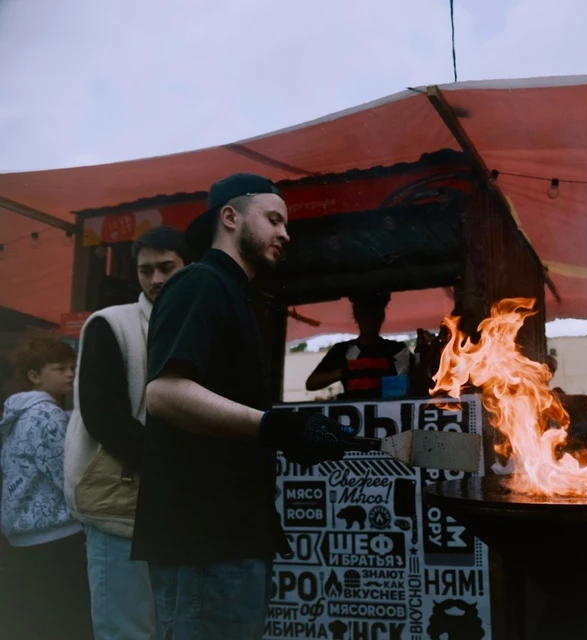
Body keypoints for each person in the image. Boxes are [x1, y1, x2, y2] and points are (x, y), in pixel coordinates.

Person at [131, 173, 349, 639]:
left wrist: (289, 432)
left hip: (231, 536)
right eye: (274, 219)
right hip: (204, 544)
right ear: (230, 217)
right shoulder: (199, 283)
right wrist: (273, 428)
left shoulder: (235, 294)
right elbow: (164, 393)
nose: (285, 233)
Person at [65, 225, 189, 640]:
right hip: (120, 499)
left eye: (166, 268)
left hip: (178, 503)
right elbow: (103, 417)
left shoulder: (195, 323)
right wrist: (172, 466)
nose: (155, 280)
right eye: (145, 270)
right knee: (127, 629)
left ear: (189, 267)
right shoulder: (109, 324)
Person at [1, 338, 93, 640]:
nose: (70, 374)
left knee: (36, 619)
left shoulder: (17, 413)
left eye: (72, 368)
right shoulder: (47, 415)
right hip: (56, 534)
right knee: (67, 619)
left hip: (22, 534)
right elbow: (66, 476)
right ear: (34, 376)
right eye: (59, 368)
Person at [305, 292, 411, 400]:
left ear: (381, 317)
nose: (369, 320)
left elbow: (420, 381)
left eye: (374, 314)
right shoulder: (343, 350)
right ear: (357, 317)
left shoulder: (397, 349)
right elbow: (311, 383)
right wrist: (343, 372)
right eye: (364, 315)